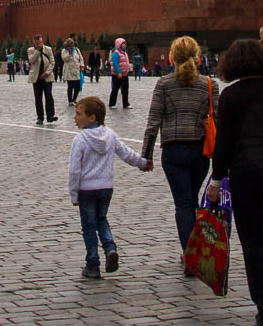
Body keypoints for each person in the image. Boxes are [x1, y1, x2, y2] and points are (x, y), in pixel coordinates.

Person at [207, 39, 263, 326]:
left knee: (254, 241)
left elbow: (224, 143)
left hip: (249, 175)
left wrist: (216, 178)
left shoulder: (232, 96)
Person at [141, 36, 212, 263]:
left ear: (172, 58)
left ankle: (189, 255)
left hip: (174, 152)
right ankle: (195, 252)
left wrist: (146, 156)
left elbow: (153, 122)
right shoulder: (209, 84)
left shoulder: (164, 84)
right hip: (201, 152)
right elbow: (218, 123)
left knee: (182, 203)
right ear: (197, 57)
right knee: (192, 200)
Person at [68, 96, 152, 279]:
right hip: (106, 187)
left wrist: (74, 194)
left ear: (92, 118)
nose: (75, 117)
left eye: (79, 114)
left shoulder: (80, 140)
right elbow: (126, 153)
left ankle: (92, 264)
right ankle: (110, 248)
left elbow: (74, 170)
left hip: (87, 189)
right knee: (102, 219)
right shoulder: (110, 135)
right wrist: (142, 163)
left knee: (89, 226)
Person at [28, 35, 57, 124]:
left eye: (40, 42)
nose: (39, 44)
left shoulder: (48, 49)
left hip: (47, 76)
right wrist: (37, 51)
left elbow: (52, 62)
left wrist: (46, 73)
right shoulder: (31, 50)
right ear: (34, 43)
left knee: (48, 96)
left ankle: (50, 116)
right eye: (37, 43)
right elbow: (31, 61)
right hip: (36, 77)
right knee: (38, 98)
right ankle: (40, 117)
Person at [108, 38, 132, 109]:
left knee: (125, 89)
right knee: (115, 89)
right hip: (117, 75)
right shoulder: (116, 53)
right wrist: (118, 72)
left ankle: (126, 104)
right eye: (123, 43)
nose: (125, 45)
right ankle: (112, 104)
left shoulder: (124, 52)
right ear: (119, 44)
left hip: (125, 74)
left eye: (125, 43)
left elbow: (126, 62)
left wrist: (128, 69)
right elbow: (115, 64)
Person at [63, 38, 84, 106]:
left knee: (77, 86)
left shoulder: (77, 50)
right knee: (70, 86)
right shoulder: (64, 50)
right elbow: (64, 59)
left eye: (73, 44)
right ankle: (70, 100)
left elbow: (81, 58)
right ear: (68, 45)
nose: (73, 46)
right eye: (71, 44)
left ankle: (74, 98)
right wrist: (69, 52)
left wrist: (82, 66)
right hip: (69, 71)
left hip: (76, 70)